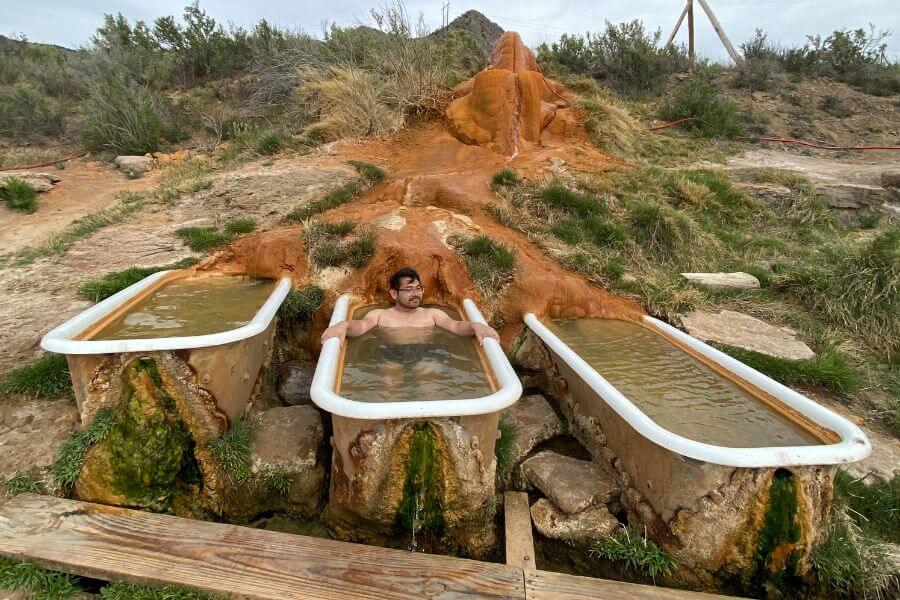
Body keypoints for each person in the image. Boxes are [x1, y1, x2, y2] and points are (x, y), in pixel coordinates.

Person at [320, 267, 500, 345]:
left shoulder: (432, 314)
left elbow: (456, 326)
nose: (416, 293)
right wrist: (343, 325)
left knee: (430, 375)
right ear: (393, 293)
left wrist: (476, 325)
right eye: (408, 289)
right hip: (390, 354)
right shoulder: (380, 315)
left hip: (424, 353)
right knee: (390, 379)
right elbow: (360, 327)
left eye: (418, 288)